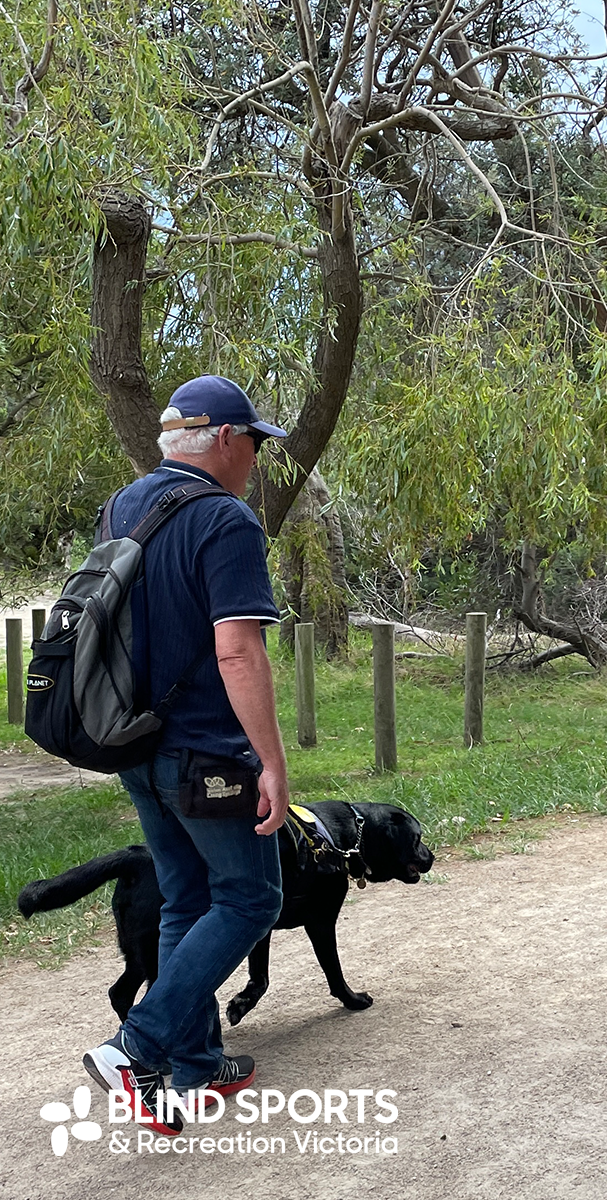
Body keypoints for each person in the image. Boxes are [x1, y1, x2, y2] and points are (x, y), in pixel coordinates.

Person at [82, 376, 290, 1135]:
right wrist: (271, 760)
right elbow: (237, 651)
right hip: (206, 753)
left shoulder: (123, 505)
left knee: (185, 901)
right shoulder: (227, 521)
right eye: (256, 445)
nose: (258, 462)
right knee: (250, 897)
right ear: (227, 440)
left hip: (135, 744)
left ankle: (197, 1065)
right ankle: (136, 1044)